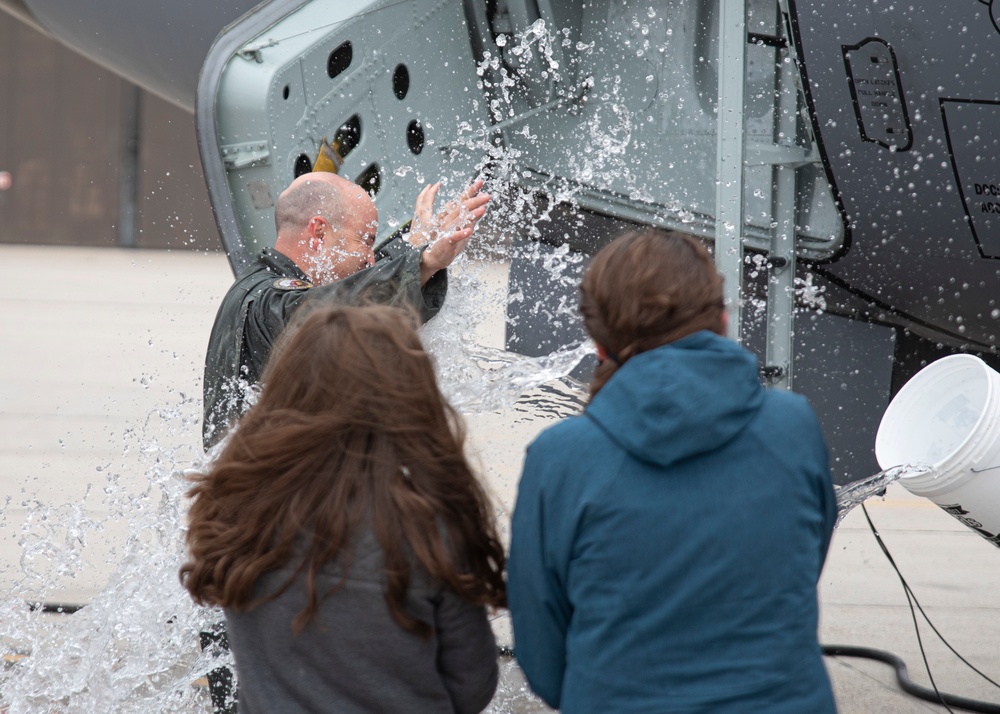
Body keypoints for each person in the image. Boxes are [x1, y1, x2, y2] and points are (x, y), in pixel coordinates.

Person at [506, 229, 837, 713]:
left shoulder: (562, 457)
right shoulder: (794, 426)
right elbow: (802, 564)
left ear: (599, 346)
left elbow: (541, 644)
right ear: (722, 318)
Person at [182, 304, 508, 714]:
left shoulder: (238, 509)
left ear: (288, 388)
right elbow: (472, 685)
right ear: (409, 399)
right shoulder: (428, 529)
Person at [202, 172, 490, 449]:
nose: (371, 258)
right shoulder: (266, 301)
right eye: (365, 240)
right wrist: (422, 264)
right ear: (318, 232)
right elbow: (328, 314)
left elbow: (349, 290)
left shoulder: (264, 282)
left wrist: (414, 247)